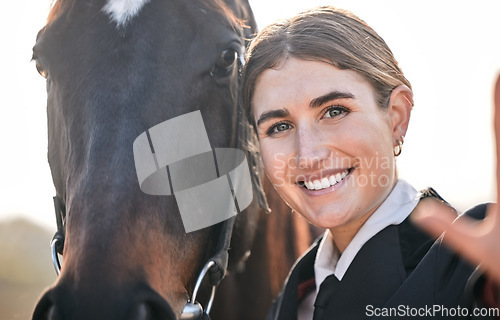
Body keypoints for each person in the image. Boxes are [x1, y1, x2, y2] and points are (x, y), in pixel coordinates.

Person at [241, 6, 500, 320]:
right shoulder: (290, 299)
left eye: (334, 111)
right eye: (279, 127)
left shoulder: (468, 269)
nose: (307, 155)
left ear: (396, 117)